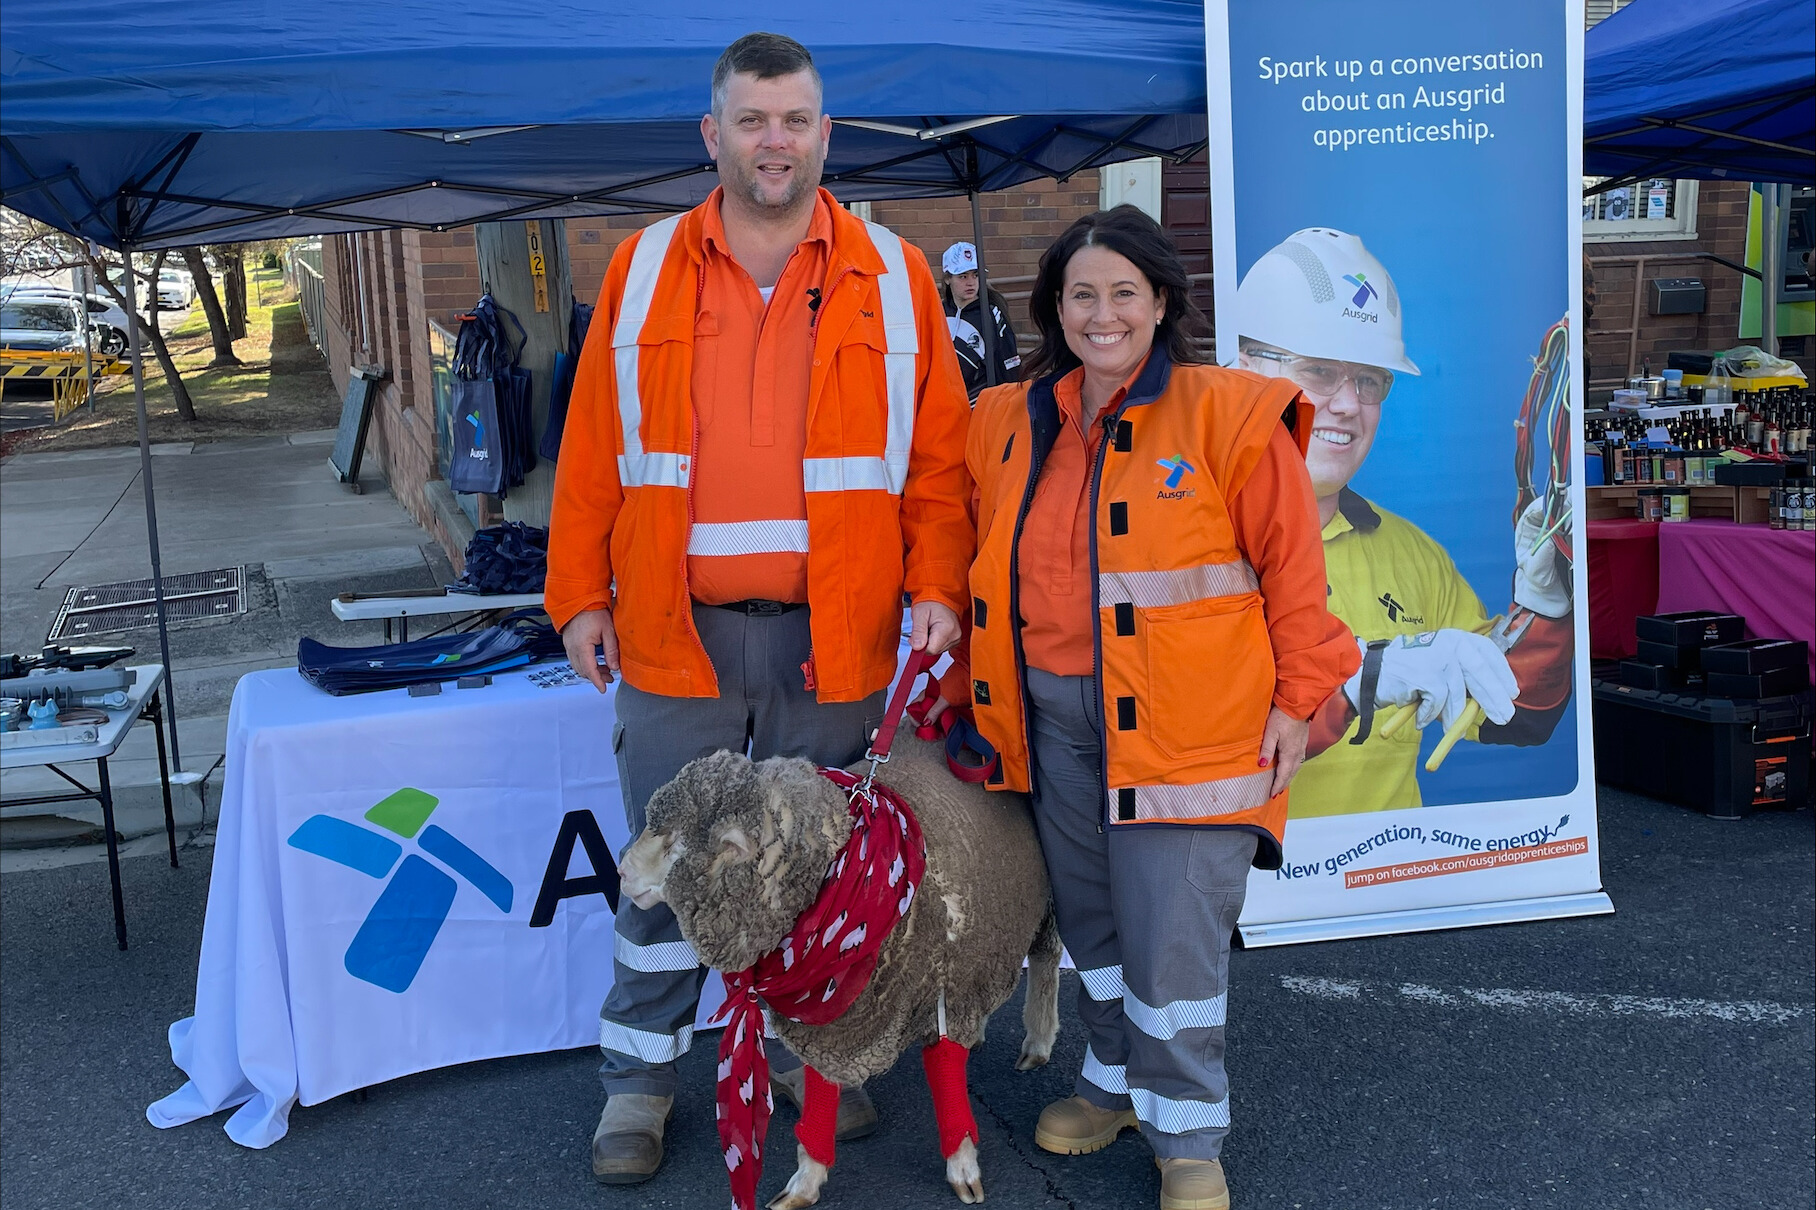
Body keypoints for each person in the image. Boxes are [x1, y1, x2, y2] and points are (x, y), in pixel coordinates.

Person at [546, 32, 973, 1186]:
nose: (773, 141)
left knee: (811, 866)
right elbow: (590, 447)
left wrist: (939, 587)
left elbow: (938, 467)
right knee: (670, 864)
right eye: (751, 120)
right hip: (672, 635)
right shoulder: (641, 268)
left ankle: (802, 1058)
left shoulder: (897, 275)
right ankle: (637, 1082)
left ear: (824, 135)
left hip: (834, 637)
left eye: (793, 120)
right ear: (714, 134)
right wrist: (576, 593)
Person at [931, 205, 1358, 1210]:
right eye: (1081, 294)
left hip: (1190, 727)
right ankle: (1114, 1082)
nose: (1103, 313)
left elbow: (1294, 570)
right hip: (1049, 721)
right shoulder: (1004, 417)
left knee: (1173, 934)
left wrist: (1301, 697)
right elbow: (965, 555)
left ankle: (1189, 1131)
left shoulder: (1230, 413)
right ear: (1054, 308)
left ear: (1162, 302)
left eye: (1124, 292)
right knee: (1092, 920)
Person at [1232, 228, 1575, 816]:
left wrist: (1543, 608)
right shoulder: (1194, 540)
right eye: (1318, 370)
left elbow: (1513, 714)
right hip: (1242, 870)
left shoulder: (1413, 555)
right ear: (1244, 371)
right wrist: (1363, 679)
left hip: (1387, 868)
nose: (1347, 404)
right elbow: (1205, 735)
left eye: (1369, 379)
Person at [940, 240, 1020, 401]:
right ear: (948, 279)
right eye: (963, 276)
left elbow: (1009, 363)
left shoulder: (991, 313)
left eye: (975, 275)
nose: (970, 282)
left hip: (981, 404)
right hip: (946, 403)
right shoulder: (939, 311)